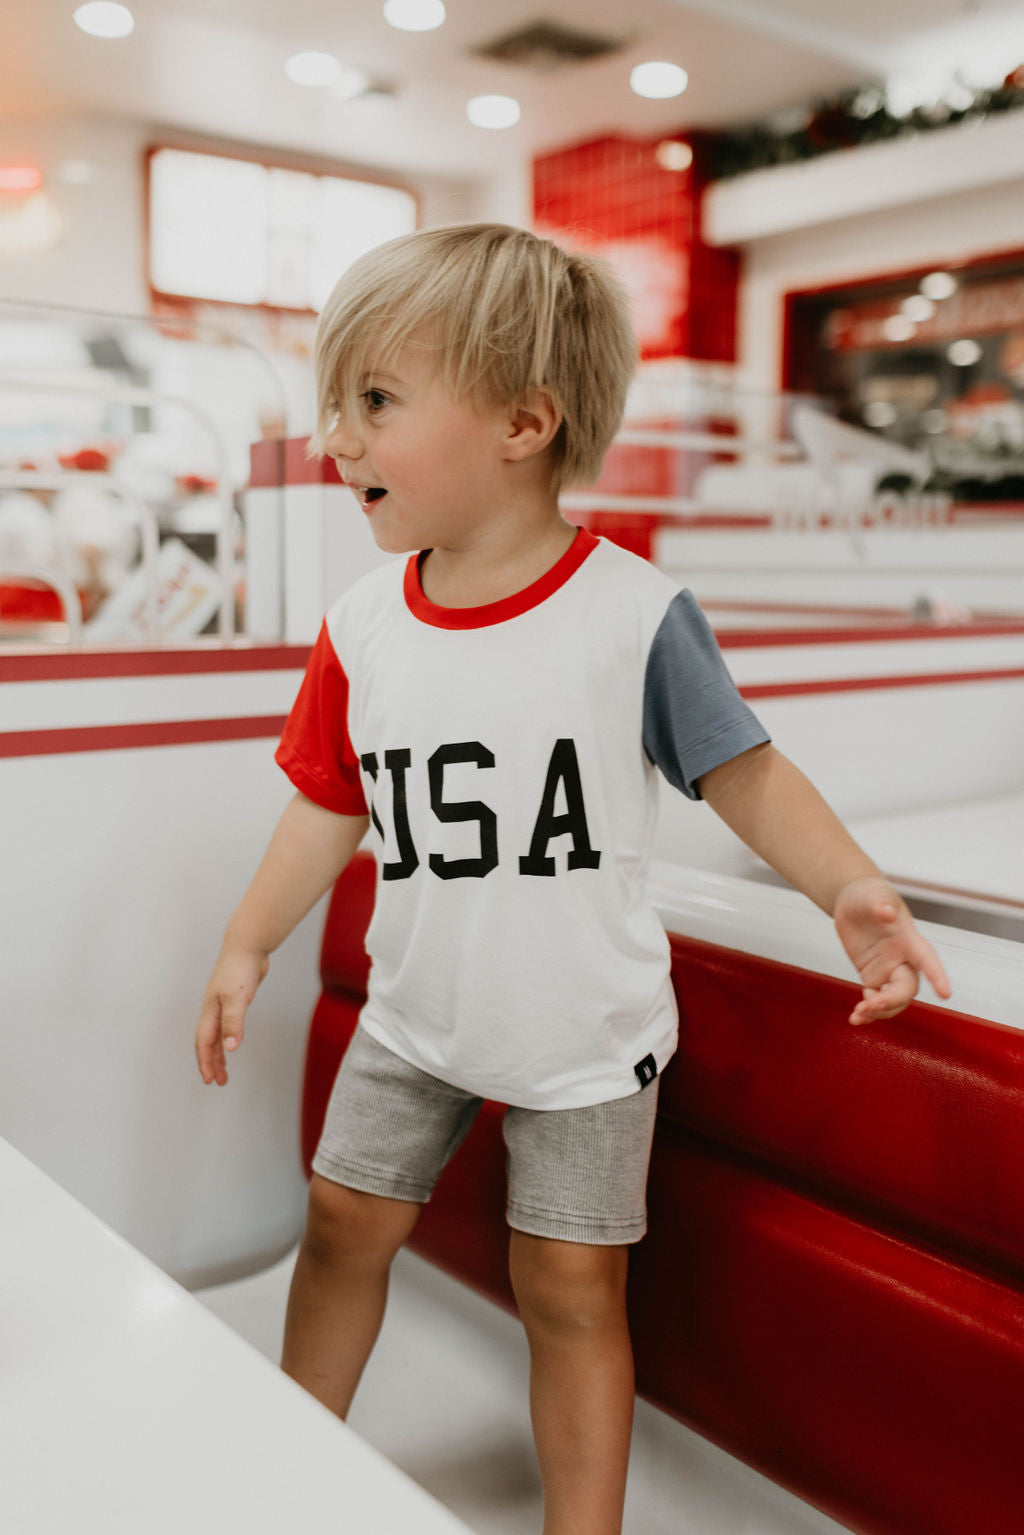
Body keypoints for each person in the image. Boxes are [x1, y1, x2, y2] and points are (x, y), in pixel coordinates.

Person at [195, 223, 952, 1535]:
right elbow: (329, 801)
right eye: (337, 404)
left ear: (523, 423)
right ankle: (286, 1466)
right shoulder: (365, 625)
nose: (337, 440)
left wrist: (852, 889)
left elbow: (747, 773)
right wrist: (248, 941)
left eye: (375, 401)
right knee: (338, 1227)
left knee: (566, 1288)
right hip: (413, 1017)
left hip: (587, 1038)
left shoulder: (631, 613)